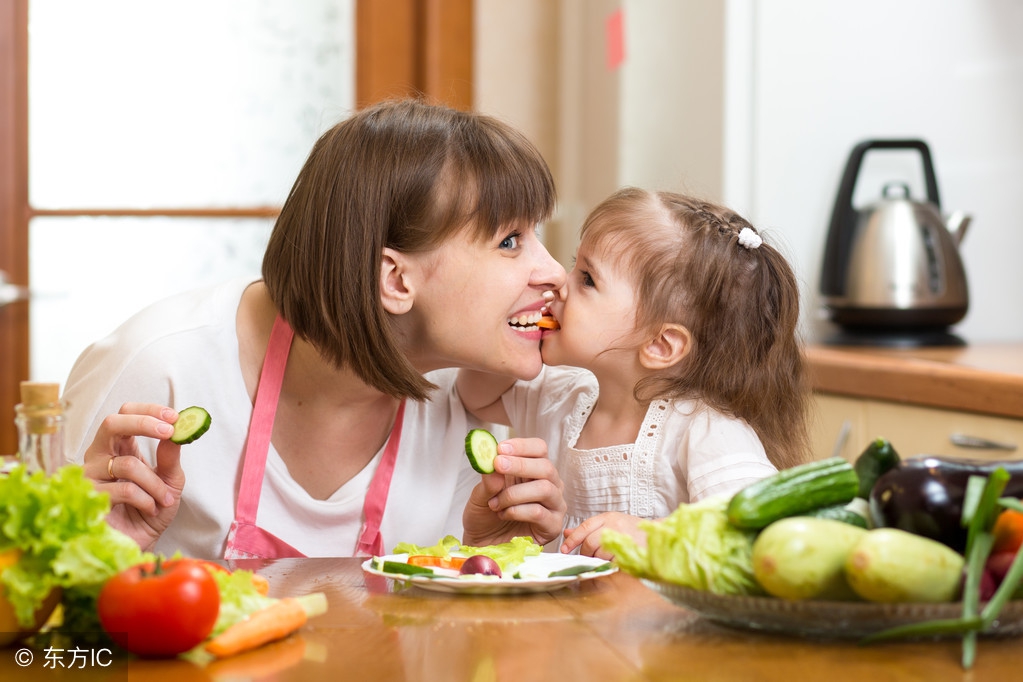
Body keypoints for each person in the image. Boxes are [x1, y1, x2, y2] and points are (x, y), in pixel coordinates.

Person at [63, 98, 569, 560]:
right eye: (510, 242)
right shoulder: (157, 369)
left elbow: (439, 646)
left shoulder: (465, 395)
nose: (555, 275)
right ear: (394, 279)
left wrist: (485, 561)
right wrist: (95, 556)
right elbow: (39, 644)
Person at [457, 187, 811, 558]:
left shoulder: (705, 429)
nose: (561, 282)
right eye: (575, 265)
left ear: (660, 345)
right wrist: (514, 333)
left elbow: (764, 538)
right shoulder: (565, 394)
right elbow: (476, 395)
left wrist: (657, 539)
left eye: (588, 279)